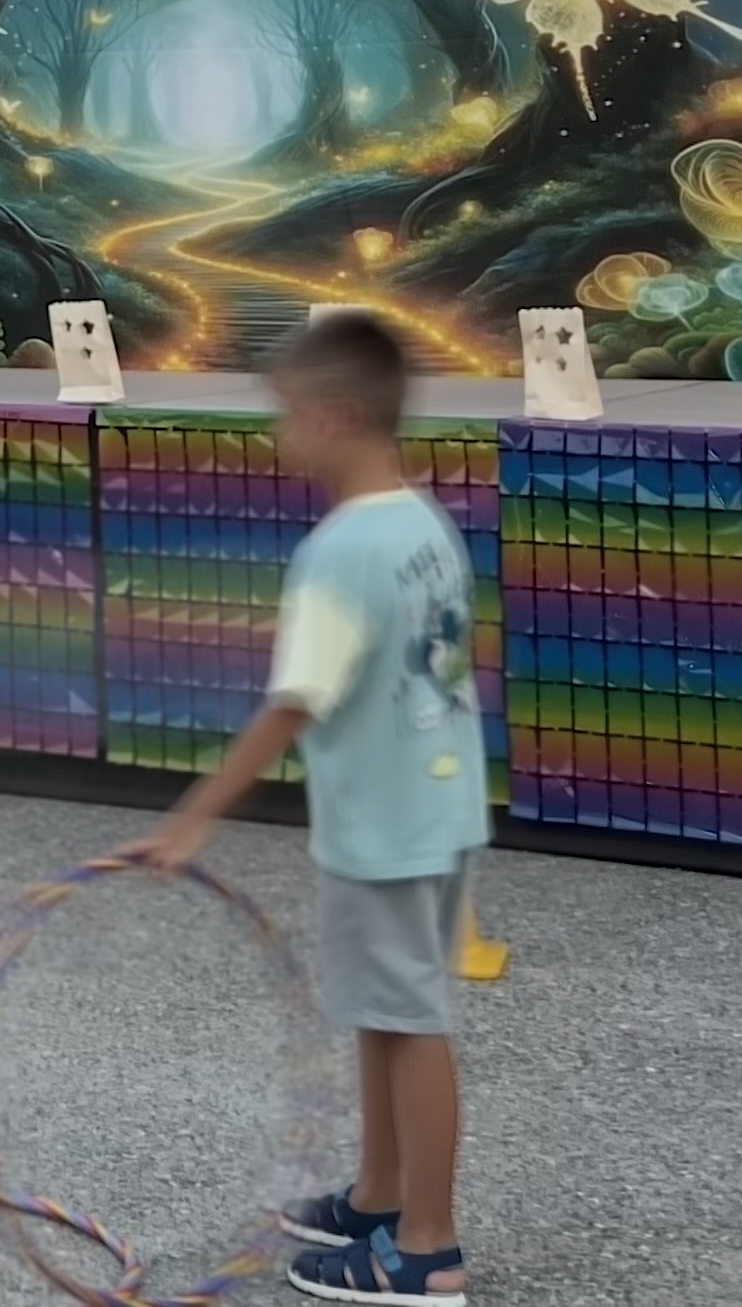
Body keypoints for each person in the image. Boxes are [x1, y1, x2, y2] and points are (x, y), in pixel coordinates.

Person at [120, 313, 487, 1306]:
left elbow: (294, 702)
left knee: (410, 1020)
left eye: (284, 417)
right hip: (438, 810)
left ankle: (427, 1248)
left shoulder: (338, 552)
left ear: (332, 418)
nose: (278, 437)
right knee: (386, 1007)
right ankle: (379, 1194)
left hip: (387, 826)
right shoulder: (423, 522)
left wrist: (197, 814)